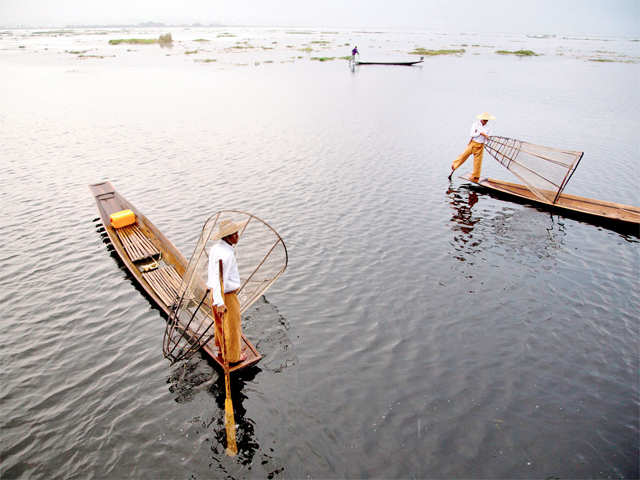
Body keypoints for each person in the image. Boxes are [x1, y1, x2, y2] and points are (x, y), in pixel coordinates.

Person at [207, 219, 248, 364]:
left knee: (219, 323)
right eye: (234, 234)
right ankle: (233, 357)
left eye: (236, 233)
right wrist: (220, 302)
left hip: (216, 293)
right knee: (232, 325)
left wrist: (215, 298)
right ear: (227, 237)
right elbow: (220, 280)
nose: (237, 236)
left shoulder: (216, 249)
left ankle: (222, 349)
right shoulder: (227, 255)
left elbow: (213, 275)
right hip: (226, 296)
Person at [449, 112, 495, 181]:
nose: (485, 122)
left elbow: (488, 137)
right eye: (484, 120)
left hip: (481, 145)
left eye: (487, 120)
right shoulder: (475, 124)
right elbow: (472, 134)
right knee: (464, 155)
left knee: (478, 162)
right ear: (481, 119)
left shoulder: (488, 127)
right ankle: (454, 165)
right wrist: (480, 133)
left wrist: (486, 138)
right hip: (473, 143)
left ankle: (476, 176)